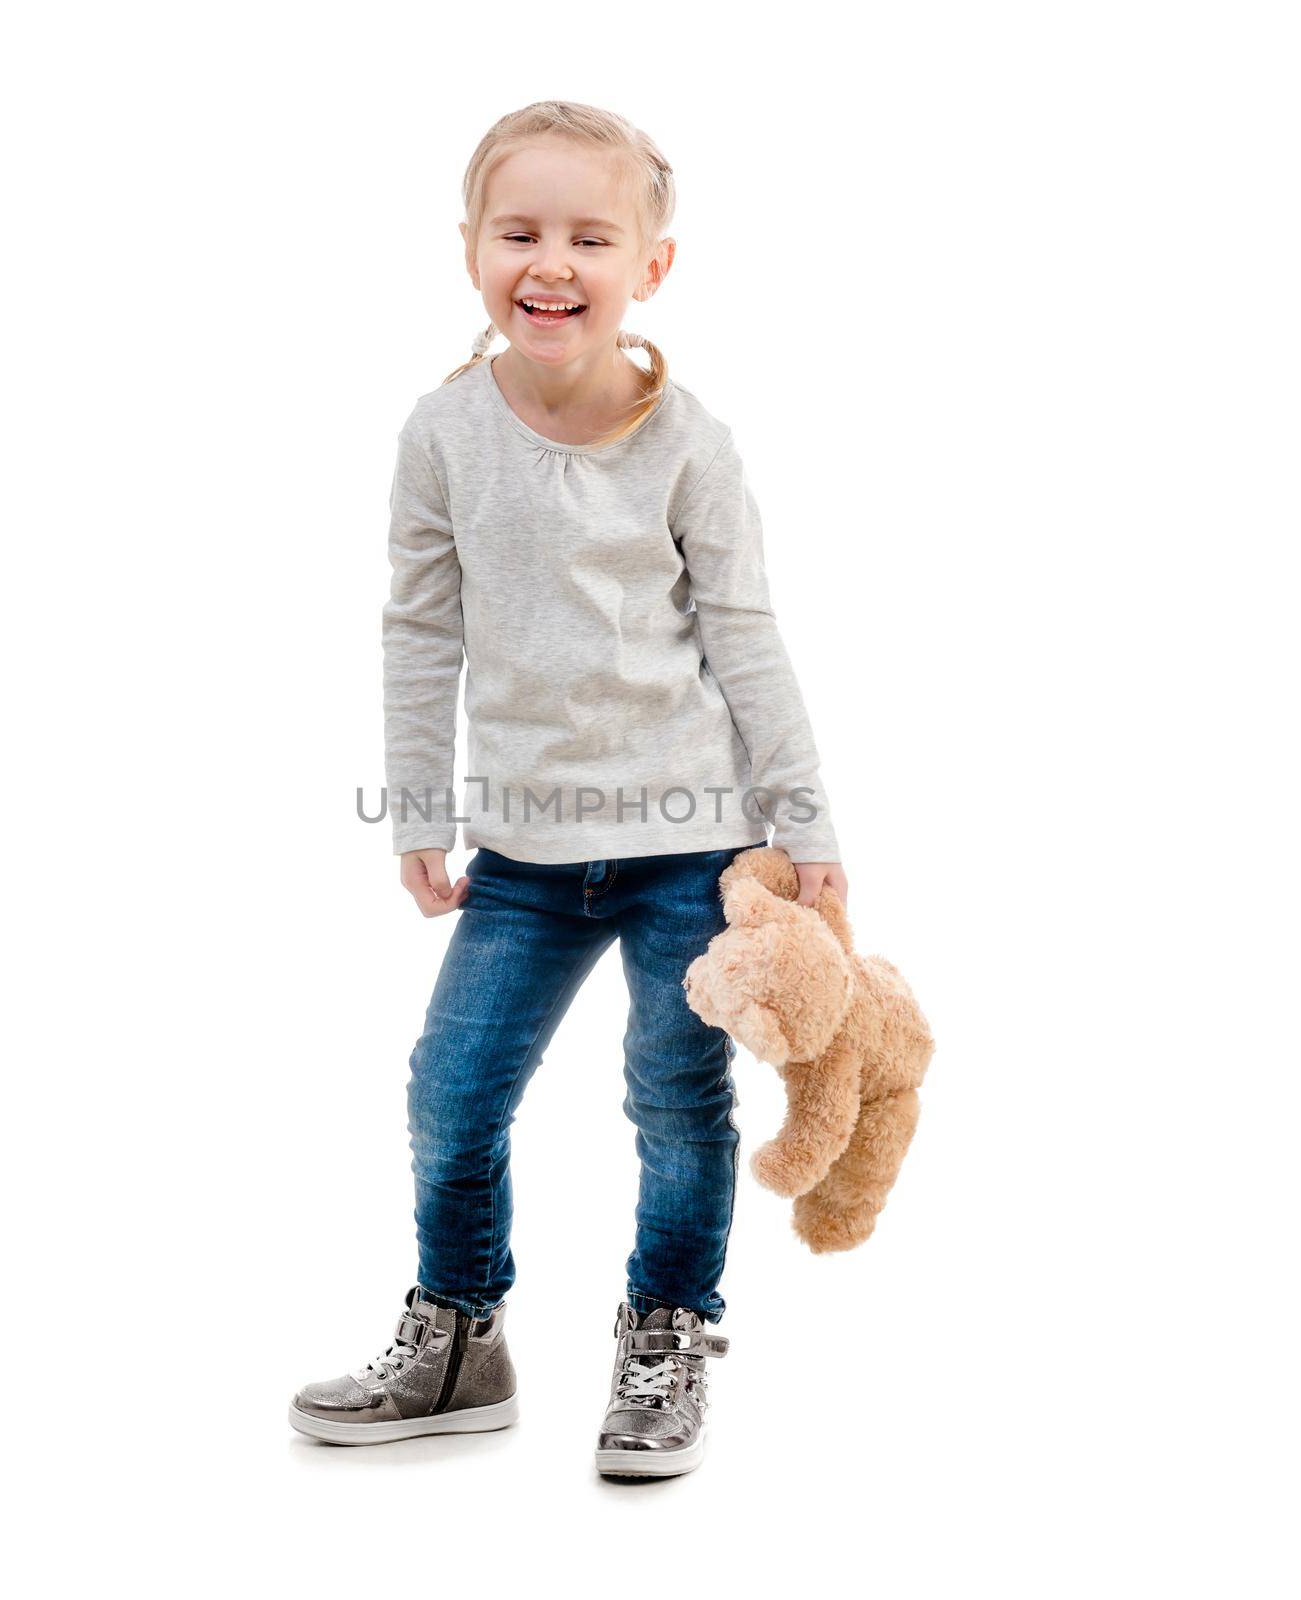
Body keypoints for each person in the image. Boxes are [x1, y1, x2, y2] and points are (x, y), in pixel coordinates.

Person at [289, 100, 846, 1479]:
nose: (551, 261)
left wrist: (808, 828)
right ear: (472, 250)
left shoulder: (690, 445)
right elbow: (419, 628)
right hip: (524, 859)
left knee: (673, 1094)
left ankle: (666, 1330)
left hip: (687, 839)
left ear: (648, 266)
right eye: (518, 231)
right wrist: (420, 809)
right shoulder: (441, 435)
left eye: (589, 236)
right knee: (452, 1088)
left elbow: (744, 633)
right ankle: (461, 1336)